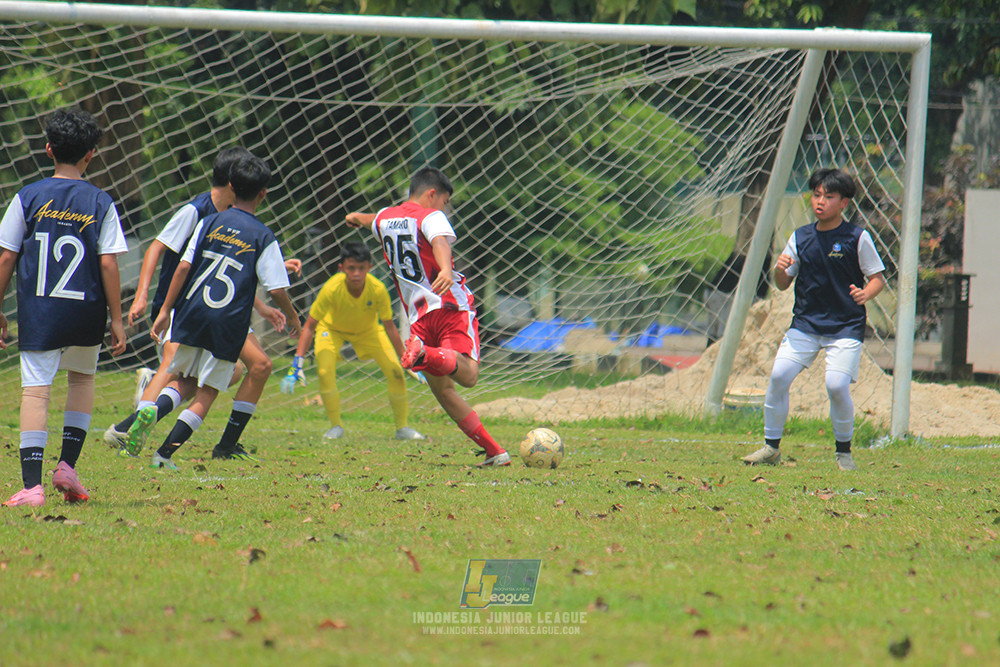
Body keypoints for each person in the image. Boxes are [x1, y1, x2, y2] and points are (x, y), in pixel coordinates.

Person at [103, 147, 299, 465]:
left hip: (191, 311)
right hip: (217, 317)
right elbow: (162, 252)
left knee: (203, 373)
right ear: (262, 192)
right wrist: (292, 316)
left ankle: (144, 414)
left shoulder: (213, 222)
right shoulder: (220, 220)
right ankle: (161, 449)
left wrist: (168, 307)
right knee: (206, 387)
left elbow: (192, 268)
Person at [0, 108, 128, 507]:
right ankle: (67, 466)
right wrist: (117, 319)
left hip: (41, 313)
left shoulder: (29, 196)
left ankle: (32, 486)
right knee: (82, 381)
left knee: (36, 393)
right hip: (86, 311)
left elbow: (6, 257)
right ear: (91, 154)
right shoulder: (101, 201)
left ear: (47, 148)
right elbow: (108, 262)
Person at [345, 167, 510, 466]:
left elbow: (370, 219)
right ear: (432, 193)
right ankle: (426, 354)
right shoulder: (431, 216)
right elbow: (440, 243)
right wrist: (446, 269)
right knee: (469, 376)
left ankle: (495, 451)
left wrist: (355, 218)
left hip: (418, 317)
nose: (445, 209)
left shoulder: (385, 218)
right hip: (448, 305)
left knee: (445, 391)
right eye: (445, 202)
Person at [742, 168, 885, 471]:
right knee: (779, 376)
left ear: (844, 202)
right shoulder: (801, 237)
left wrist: (865, 294)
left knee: (835, 385)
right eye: (816, 194)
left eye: (829, 196)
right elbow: (783, 283)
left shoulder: (856, 238)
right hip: (806, 324)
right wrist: (781, 269)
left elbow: (877, 278)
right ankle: (771, 448)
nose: (820, 201)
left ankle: (844, 454)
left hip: (845, 326)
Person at [281, 242, 425, 441]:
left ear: (369, 268)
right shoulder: (331, 288)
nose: (356, 273)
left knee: (396, 374)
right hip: (331, 331)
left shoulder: (378, 289)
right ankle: (335, 427)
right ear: (341, 268)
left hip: (369, 331)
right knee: (324, 372)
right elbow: (310, 325)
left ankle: (402, 428)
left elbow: (390, 325)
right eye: (351, 268)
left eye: (361, 268)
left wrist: (405, 357)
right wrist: (298, 362)